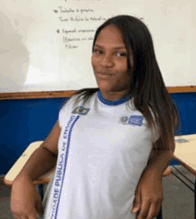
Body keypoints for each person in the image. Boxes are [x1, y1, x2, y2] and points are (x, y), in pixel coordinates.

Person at [10, 15, 179, 219]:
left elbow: (165, 148)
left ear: (141, 61)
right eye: (98, 51)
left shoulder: (153, 112)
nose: (105, 63)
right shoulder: (77, 103)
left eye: (120, 54)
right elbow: (49, 149)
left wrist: (154, 173)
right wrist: (23, 178)